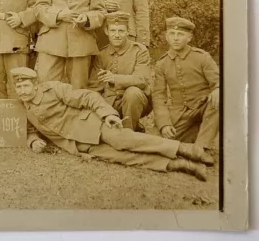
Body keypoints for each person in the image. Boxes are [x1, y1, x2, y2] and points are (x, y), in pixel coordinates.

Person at [11, 67, 214, 181]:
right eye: (18, 87)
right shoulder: (25, 108)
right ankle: (181, 164)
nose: (22, 90)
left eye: (25, 85)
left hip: (91, 125)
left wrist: (107, 114)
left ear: (35, 84)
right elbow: (30, 131)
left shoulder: (53, 89)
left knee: (126, 140)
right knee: (124, 157)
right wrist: (33, 141)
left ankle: (189, 150)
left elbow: (87, 97)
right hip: (79, 144)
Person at [152, 17, 220, 152]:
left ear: (189, 38)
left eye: (180, 34)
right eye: (172, 34)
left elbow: (218, 81)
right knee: (159, 142)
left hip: (203, 106)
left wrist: (218, 88)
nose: (175, 38)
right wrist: (164, 124)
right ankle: (193, 134)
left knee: (219, 99)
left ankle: (201, 148)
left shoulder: (202, 57)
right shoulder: (162, 63)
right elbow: (158, 96)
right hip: (180, 112)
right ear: (166, 36)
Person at [88, 12, 152, 131]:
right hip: (110, 103)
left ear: (128, 31)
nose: (116, 35)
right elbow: (94, 87)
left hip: (135, 102)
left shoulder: (139, 51)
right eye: (113, 31)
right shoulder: (101, 54)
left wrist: (115, 78)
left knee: (132, 93)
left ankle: (129, 132)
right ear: (107, 31)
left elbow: (142, 79)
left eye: (121, 31)